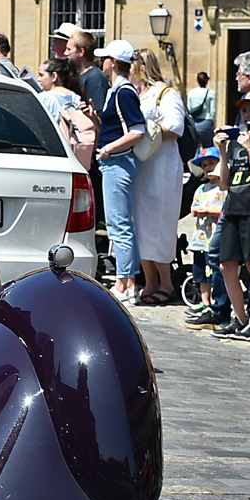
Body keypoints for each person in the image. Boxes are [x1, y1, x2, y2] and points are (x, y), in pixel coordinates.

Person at [212, 91, 250, 340]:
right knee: (227, 264)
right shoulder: (237, 140)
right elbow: (224, 184)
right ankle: (239, 318)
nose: (247, 116)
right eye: (244, 111)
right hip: (233, 206)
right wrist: (224, 152)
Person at [129, 47, 187, 305]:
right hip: (140, 166)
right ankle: (149, 279)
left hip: (161, 166)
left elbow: (175, 127)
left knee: (159, 223)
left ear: (142, 67)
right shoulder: (134, 94)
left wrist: (143, 130)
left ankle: (166, 281)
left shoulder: (166, 93)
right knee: (139, 223)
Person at [92, 39, 147, 303]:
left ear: (113, 62)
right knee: (119, 224)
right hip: (115, 162)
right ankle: (126, 281)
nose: (101, 62)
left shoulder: (124, 91)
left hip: (117, 163)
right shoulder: (119, 90)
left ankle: (126, 284)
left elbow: (137, 130)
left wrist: (108, 149)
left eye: (105, 58)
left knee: (120, 225)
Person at [185, 147, 227, 317]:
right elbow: (194, 206)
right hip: (200, 239)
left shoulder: (223, 188)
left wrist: (209, 212)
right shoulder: (201, 189)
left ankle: (217, 302)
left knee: (214, 271)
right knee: (201, 273)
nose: (208, 168)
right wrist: (197, 211)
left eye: (212, 163)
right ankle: (205, 301)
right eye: (204, 165)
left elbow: (225, 211)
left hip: (215, 236)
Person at [66, 30, 108, 114]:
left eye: (69, 49)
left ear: (81, 52)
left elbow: (98, 113)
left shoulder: (95, 77)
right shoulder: (76, 74)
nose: (66, 53)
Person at [186, 71, 215, 147]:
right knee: (208, 148)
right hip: (206, 122)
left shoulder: (191, 93)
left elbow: (189, 109)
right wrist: (214, 125)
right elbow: (213, 112)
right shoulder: (211, 93)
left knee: (195, 148)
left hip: (194, 123)